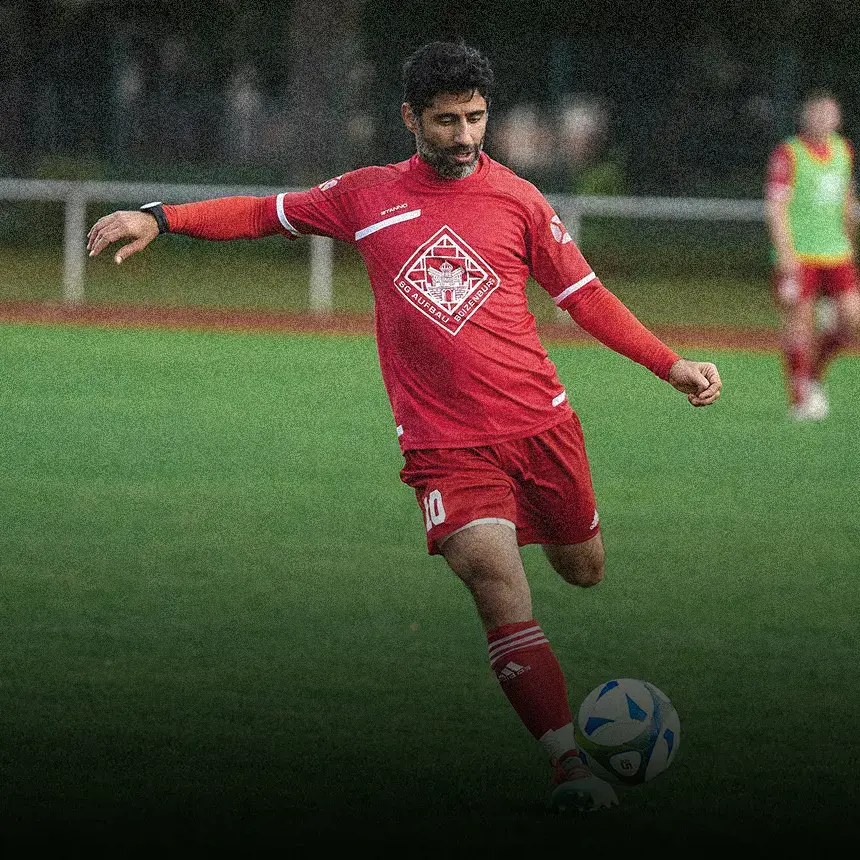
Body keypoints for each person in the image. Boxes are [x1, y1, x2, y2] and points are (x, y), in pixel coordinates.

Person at [87, 41, 722, 813]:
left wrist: (669, 364)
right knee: (494, 577)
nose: (465, 136)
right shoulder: (365, 195)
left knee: (583, 568)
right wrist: (160, 217)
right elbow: (262, 213)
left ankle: (558, 632)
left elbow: (583, 296)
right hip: (443, 447)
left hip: (541, 426)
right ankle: (569, 768)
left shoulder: (519, 200)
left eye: (476, 118)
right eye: (447, 120)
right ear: (410, 119)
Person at [765, 90, 860, 420]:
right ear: (805, 116)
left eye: (829, 114)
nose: (823, 119)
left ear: (837, 118)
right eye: (817, 113)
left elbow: (846, 200)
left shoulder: (844, 150)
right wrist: (785, 254)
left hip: (836, 252)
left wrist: (850, 241)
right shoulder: (788, 153)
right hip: (800, 253)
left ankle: (813, 375)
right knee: (799, 325)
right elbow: (776, 207)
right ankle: (801, 397)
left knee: (852, 322)